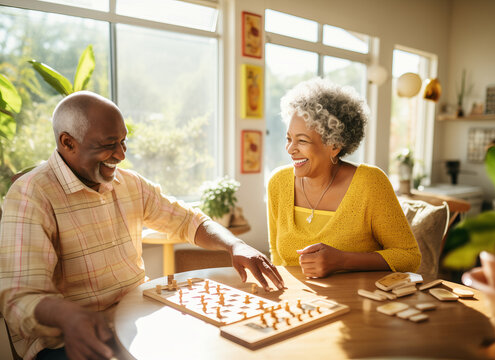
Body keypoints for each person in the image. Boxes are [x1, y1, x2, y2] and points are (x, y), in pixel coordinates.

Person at [0, 91, 284, 360]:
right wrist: (68, 316)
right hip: (72, 340)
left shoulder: (130, 183)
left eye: (123, 142)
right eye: (108, 144)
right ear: (68, 143)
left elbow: (189, 221)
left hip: (135, 318)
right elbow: (19, 298)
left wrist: (234, 244)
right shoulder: (32, 194)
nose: (121, 154)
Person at [267, 78, 421, 278]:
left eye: (302, 141)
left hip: (360, 301)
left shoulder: (370, 182)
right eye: (289, 139)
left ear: (334, 146)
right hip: (299, 303)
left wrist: (341, 260)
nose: (290, 149)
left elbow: (409, 257)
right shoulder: (278, 183)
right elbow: (277, 258)